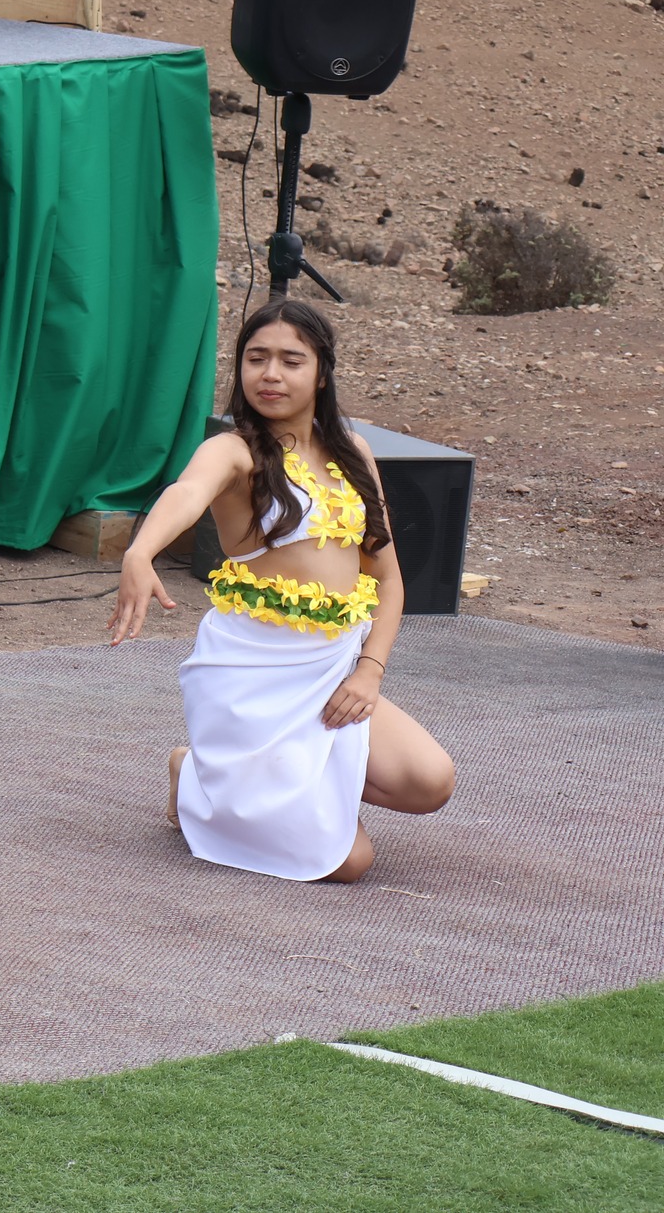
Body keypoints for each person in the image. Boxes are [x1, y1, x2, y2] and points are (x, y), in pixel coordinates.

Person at [108, 299, 454, 883]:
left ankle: (250, 777)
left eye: (291, 360)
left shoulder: (352, 452)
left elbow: (388, 580)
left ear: (322, 372)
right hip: (254, 677)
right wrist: (139, 551)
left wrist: (368, 672)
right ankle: (195, 775)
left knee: (430, 783)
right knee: (350, 864)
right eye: (256, 358)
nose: (270, 374)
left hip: (333, 668)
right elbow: (187, 492)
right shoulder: (233, 451)